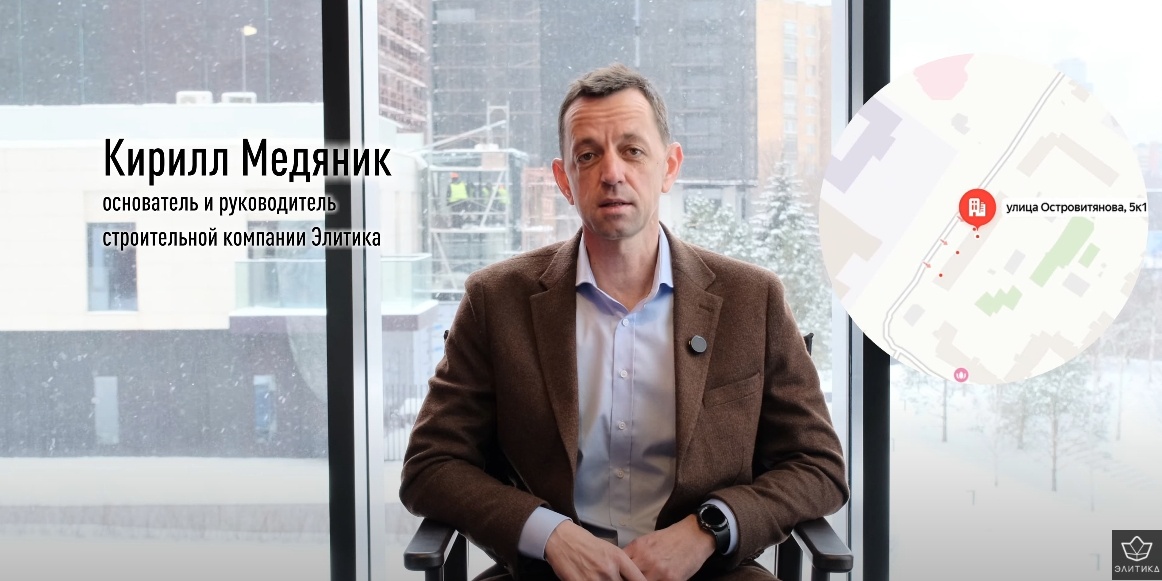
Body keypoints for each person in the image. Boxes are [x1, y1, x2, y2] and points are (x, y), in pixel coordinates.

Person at [401, 64, 848, 581]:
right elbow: (430, 465)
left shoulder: (753, 299)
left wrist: (708, 529)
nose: (611, 172)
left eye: (633, 150)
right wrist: (549, 534)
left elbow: (818, 466)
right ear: (564, 180)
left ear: (669, 166)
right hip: (548, 572)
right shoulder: (495, 300)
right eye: (588, 155)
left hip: (709, 572)